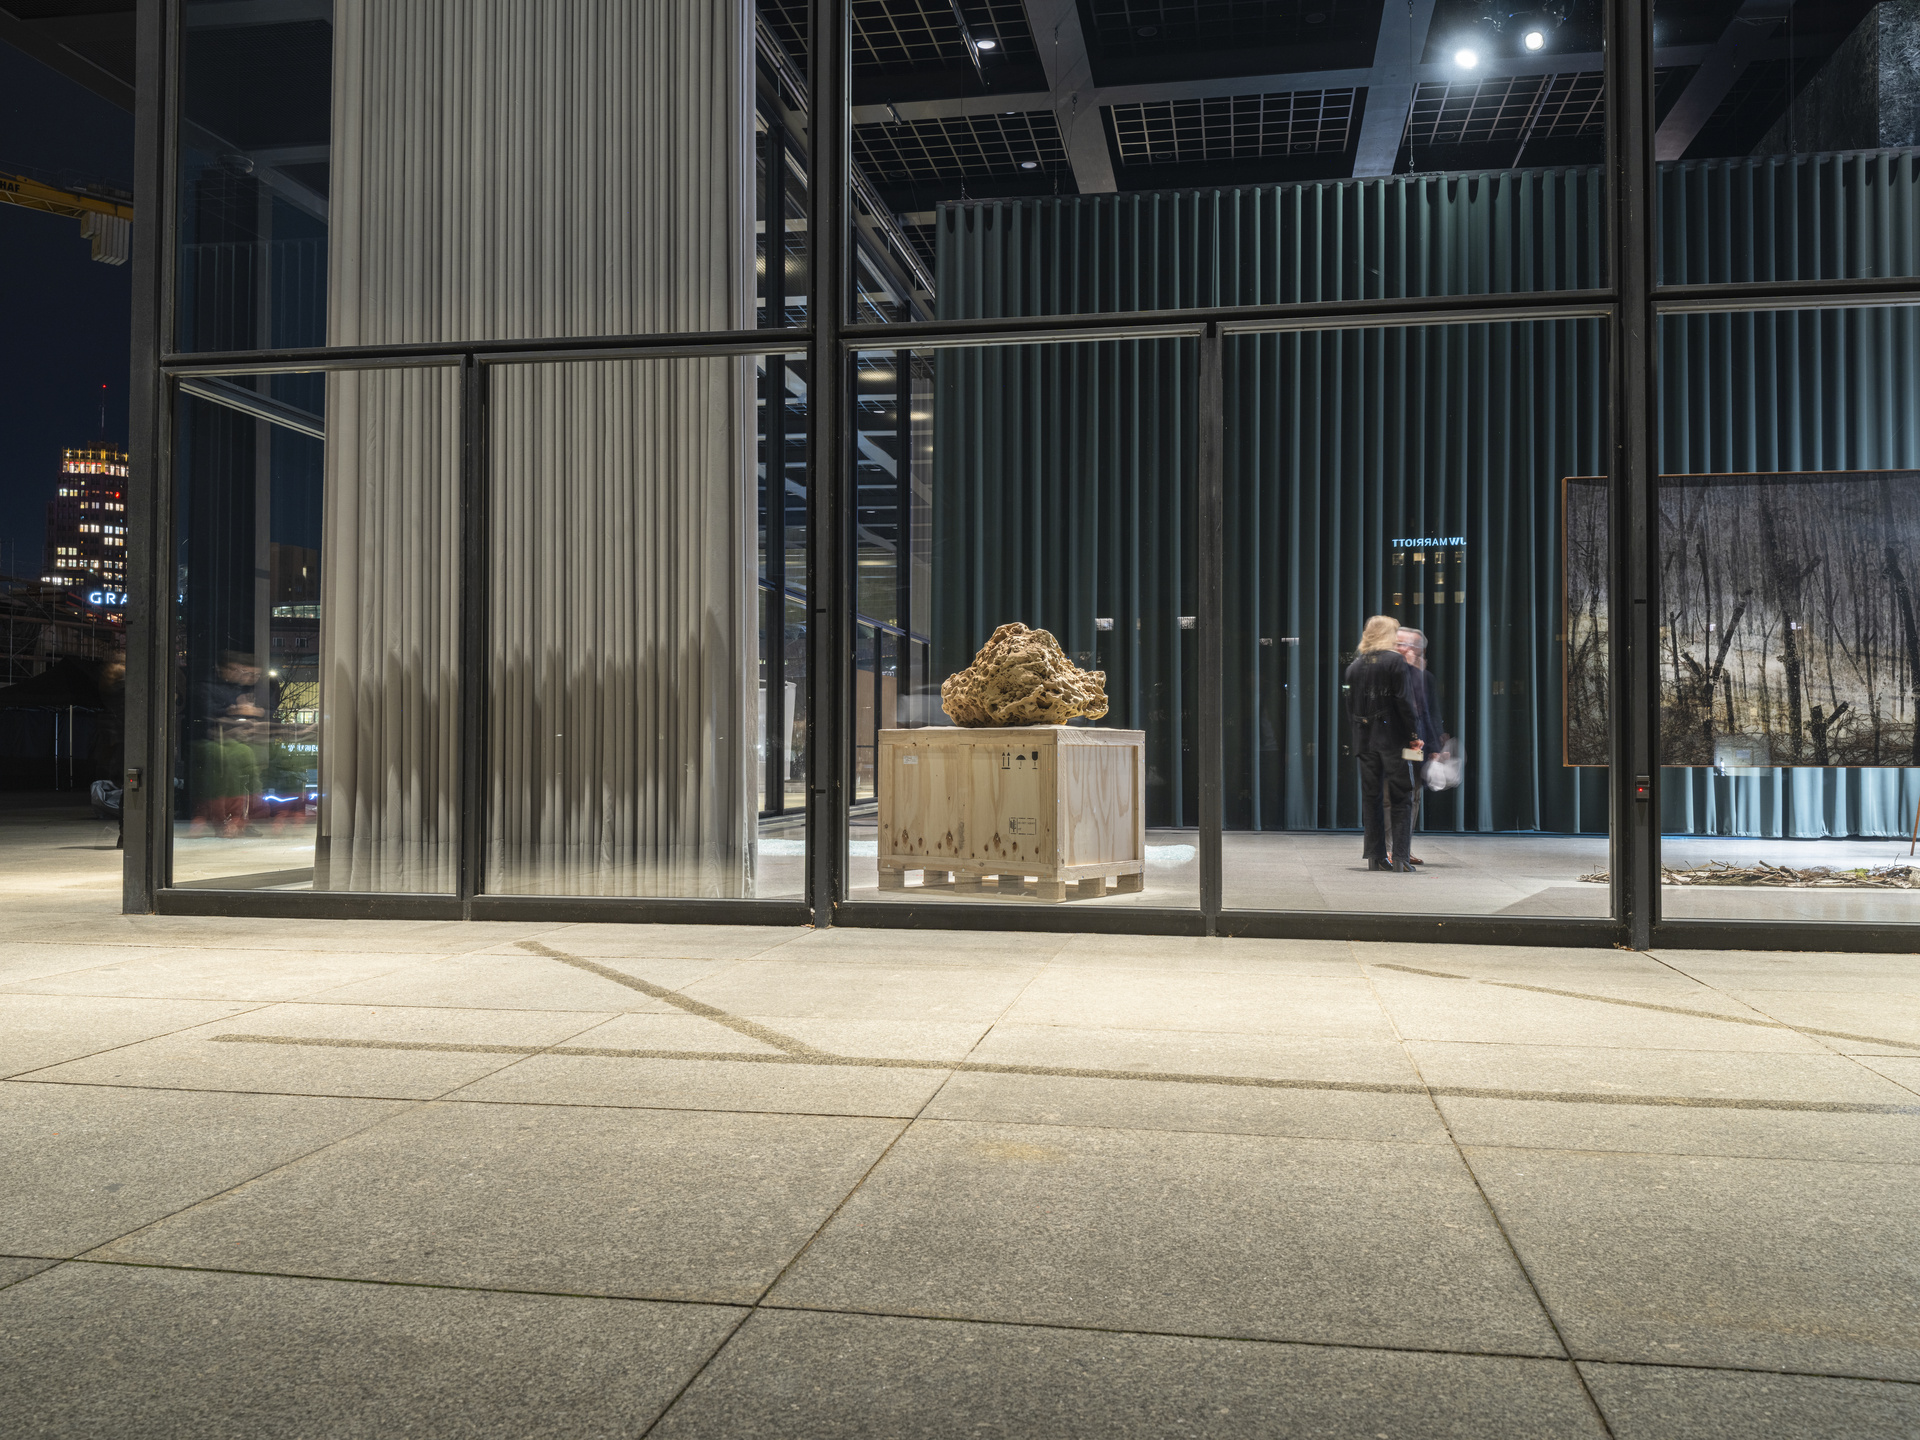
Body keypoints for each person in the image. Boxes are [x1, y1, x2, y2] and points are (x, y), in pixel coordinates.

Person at [1344, 615, 1423, 872]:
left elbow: (1350, 708)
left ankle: (1374, 857)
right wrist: (1413, 736)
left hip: (1364, 742)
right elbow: (1404, 702)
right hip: (1392, 741)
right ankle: (1400, 856)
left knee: (1371, 798)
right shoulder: (1395, 662)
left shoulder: (1354, 666)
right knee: (1402, 797)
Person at [1395, 628, 1446, 866]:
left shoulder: (1426, 678)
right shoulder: (1388, 673)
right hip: (1392, 743)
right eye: (1397, 643)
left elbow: (1431, 715)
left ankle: (1404, 847)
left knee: (1414, 796)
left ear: (1418, 650)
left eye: (1405, 644)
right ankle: (1387, 849)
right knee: (1390, 797)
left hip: (1419, 745)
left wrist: (1435, 746)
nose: (1400, 648)